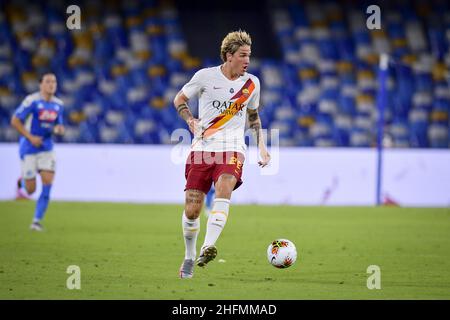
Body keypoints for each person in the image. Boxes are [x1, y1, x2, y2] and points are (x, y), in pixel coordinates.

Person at [173, 30, 271, 279]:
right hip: (203, 148)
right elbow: (179, 99)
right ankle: (189, 256)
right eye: (243, 55)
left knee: (225, 185)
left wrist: (262, 146)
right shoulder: (205, 77)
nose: (247, 60)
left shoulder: (252, 83)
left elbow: (252, 116)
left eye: (249, 55)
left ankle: (209, 245)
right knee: (192, 209)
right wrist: (190, 121)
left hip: (233, 148)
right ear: (229, 56)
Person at [11, 72, 65, 231]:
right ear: (41, 85)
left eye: (54, 82)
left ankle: (36, 221)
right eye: (48, 81)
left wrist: (59, 129)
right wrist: (30, 137)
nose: (51, 85)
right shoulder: (31, 101)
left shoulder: (59, 105)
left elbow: (58, 125)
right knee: (31, 189)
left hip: (47, 148)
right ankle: (22, 182)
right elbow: (15, 120)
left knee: (48, 183)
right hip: (28, 148)